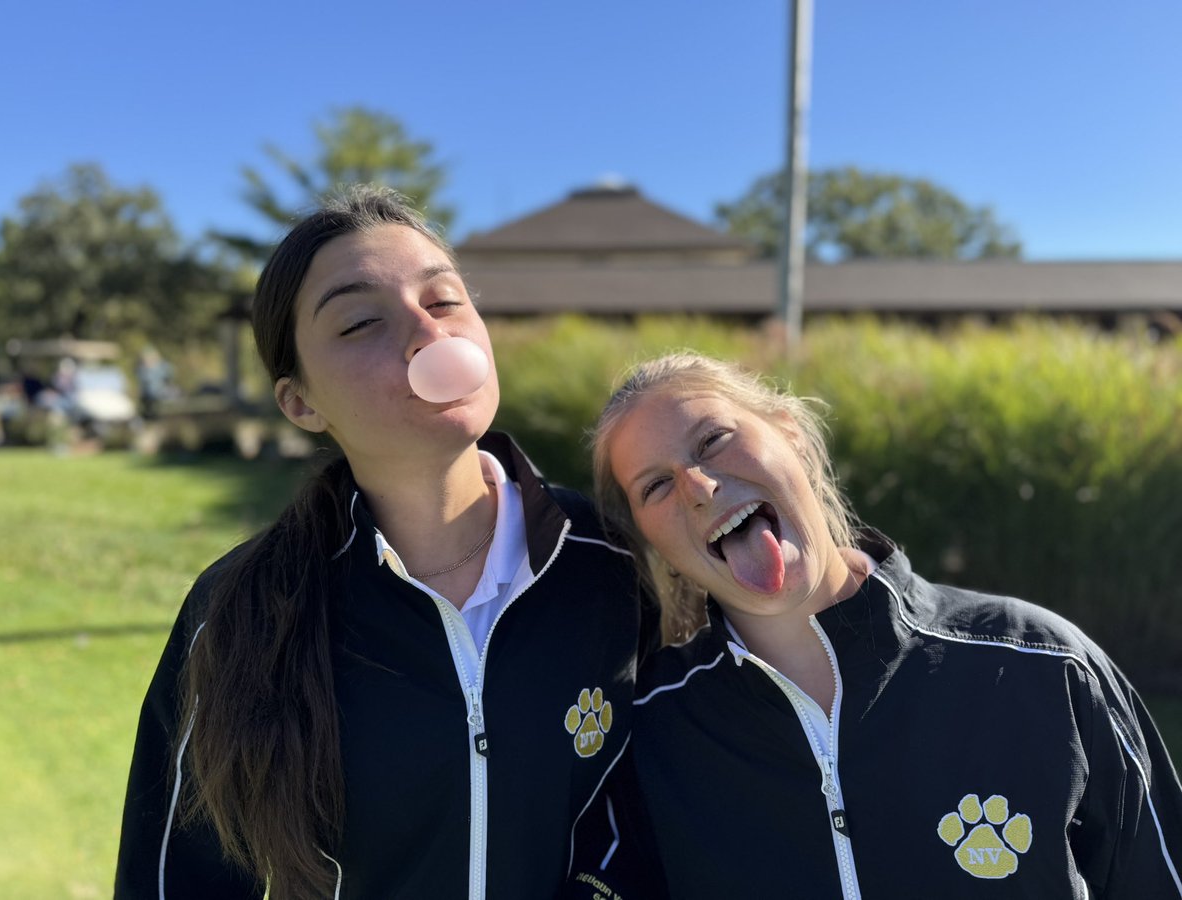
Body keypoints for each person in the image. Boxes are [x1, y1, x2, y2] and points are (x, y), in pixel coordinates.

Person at [115, 187, 648, 900]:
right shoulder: (240, 608)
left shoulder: (619, 566)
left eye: (446, 300)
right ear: (300, 403)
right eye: (362, 321)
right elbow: (174, 878)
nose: (429, 336)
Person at [566, 351, 1182, 899]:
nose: (699, 486)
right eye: (655, 486)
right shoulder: (648, 729)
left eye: (713, 440)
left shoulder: (1038, 664)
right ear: (650, 540)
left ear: (794, 438)